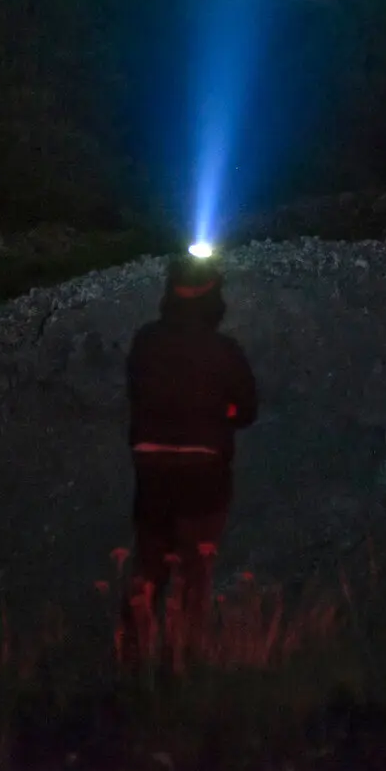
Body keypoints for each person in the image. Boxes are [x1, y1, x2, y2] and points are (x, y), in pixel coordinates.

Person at [125, 249, 258, 628]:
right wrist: (219, 412)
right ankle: (183, 655)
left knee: (148, 565)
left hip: (151, 466)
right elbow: (247, 411)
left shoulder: (146, 341)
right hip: (204, 467)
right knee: (194, 572)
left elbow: (136, 396)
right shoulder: (225, 351)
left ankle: (133, 651)